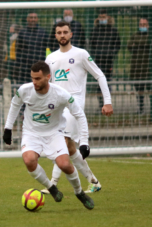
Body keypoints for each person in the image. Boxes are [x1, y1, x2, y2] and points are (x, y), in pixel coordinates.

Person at [3, 61, 94, 210]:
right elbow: (15, 105)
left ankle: (79, 193)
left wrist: (84, 142)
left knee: (64, 165)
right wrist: (8, 128)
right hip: (31, 133)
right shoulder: (25, 90)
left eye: (38, 79)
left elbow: (80, 115)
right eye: (32, 78)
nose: (34, 82)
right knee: (29, 160)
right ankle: (51, 187)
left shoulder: (61, 94)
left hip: (54, 134)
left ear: (48, 77)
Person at [43, 21, 113, 194]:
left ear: (71, 34)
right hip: (58, 107)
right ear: (55, 36)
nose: (62, 35)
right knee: (70, 148)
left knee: (62, 142)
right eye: (59, 32)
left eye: (65, 32)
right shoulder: (51, 58)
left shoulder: (81, 54)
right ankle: (93, 181)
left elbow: (100, 75)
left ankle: (52, 184)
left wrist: (108, 101)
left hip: (74, 104)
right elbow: (48, 86)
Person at [90, 9, 121, 108]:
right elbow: (91, 44)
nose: (102, 19)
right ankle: (100, 105)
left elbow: (117, 44)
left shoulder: (113, 30)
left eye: (104, 17)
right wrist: (96, 53)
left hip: (109, 60)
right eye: (101, 17)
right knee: (99, 82)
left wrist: (112, 53)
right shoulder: (95, 30)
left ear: (108, 17)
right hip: (98, 61)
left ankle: (107, 104)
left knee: (107, 82)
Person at [127, 18, 152, 113]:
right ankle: (141, 108)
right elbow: (129, 46)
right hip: (137, 67)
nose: (143, 26)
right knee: (139, 90)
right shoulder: (134, 35)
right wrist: (144, 45)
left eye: (144, 24)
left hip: (149, 67)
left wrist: (137, 44)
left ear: (148, 25)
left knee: (151, 89)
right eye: (141, 24)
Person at [16, 13, 48, 85]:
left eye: (34, 17)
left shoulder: (43, 32)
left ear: (37, 19)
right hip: (25, 68)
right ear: (27, 19)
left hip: (40, 66)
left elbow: (48, 47)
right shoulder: (22, 33)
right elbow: (18, 50)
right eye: (31, 17)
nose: (33, 19)